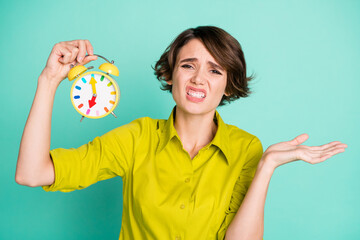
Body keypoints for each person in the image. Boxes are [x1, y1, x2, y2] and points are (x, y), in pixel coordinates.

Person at [15, 26, 347, 240]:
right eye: (188, 65)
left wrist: (266, 166)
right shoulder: (137, 137)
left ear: (228, 86)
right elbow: (32, 173)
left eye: (214, 70)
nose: (199, 79)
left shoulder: (246, 148)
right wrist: (48, 81)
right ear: (171, 75)